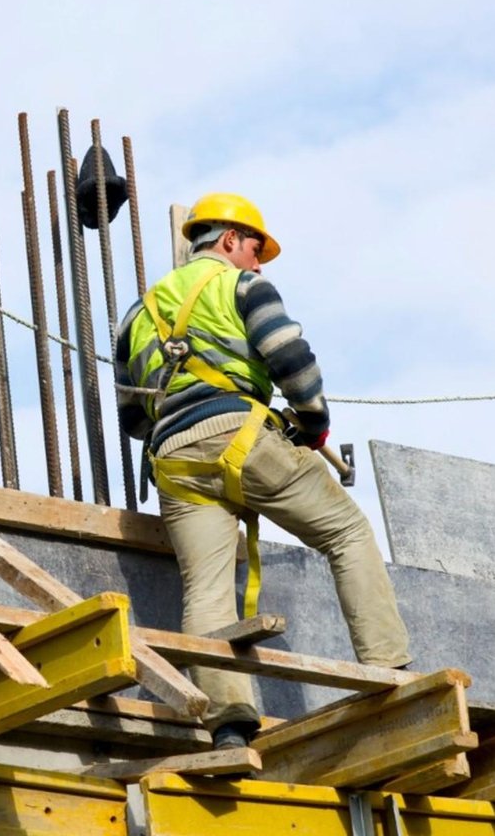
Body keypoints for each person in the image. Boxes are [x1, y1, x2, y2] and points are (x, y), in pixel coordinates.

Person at [114, 193, 411, 748]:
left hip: (174, 460)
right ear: (228, 240)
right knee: (347, 532)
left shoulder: (137, 314)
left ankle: (228, 724)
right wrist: (313, 423)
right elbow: (290, 358)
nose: (258, 262)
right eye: (255, 249)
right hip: (243, 438)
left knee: (205, 590)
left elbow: (132, 416)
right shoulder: (242, 286)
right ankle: (390, 671)